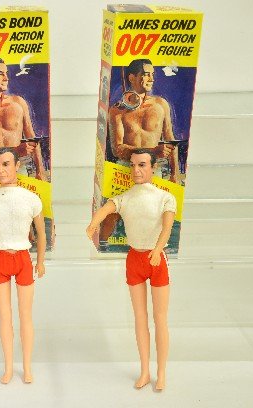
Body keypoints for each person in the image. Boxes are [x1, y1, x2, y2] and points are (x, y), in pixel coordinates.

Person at [86, 149, 176, 391]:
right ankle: (145, 370)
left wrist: (158, 249)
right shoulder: (125, 198)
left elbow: (167, 227)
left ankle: (162, 372)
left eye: (142, 165)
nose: (136, 170)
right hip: (135, 259)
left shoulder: (165, 198)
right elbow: (106, 208)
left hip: (156, 260)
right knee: (139, 317)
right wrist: (93, 224)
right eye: (133, 165)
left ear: (153, 167)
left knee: (160, 318)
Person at [0, 147, 46, 384]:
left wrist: (40, 261)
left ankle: (27, 367)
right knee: (4, 316)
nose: (1, 170)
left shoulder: (31, 199)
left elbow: (41, 234)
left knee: (25, 316)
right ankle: (8, 367)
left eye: (6, 164)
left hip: (23, 259)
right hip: (0, 259)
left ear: (17, 165)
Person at [108, 58, 179, 183]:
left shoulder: (161, 104)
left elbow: (170, 141)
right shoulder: (117, 110)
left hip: (153, 168)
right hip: (126, 169)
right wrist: (152, 151)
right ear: (132, 78)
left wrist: (175, 174)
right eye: (146, 74)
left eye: (152, 74)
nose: (151, 79)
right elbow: (117, 149)